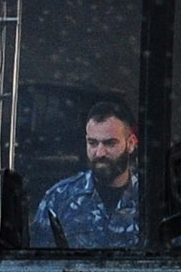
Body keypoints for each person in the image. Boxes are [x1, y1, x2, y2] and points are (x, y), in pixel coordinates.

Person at [30, 97, 144, 248]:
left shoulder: (148, 200)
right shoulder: (59, 199)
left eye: (110, 143)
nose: (100, 153)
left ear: (130, 143)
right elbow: (38, 258)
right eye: (93, 143)